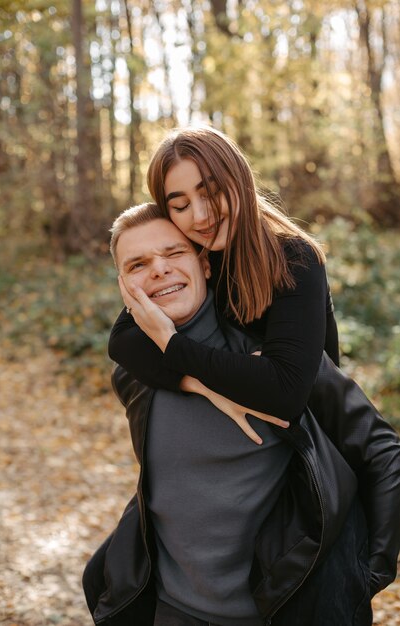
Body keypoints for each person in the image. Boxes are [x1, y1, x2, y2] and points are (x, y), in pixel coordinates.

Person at [107, 126, 400, 599]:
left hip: (314, 445)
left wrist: (174, 346)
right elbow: (122, 340)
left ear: (238, 179)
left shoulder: (293, 257)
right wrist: (205, 386)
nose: (199, 215)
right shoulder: (197, 254)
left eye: (211, 192)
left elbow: (284, 391)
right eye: (179, 204)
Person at [83, 203, 379, 626]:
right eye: (139, 264)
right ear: (124, 285)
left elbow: (378, 452)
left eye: (174, 254)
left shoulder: (276, 372)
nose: (159, 270)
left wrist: (370, 572)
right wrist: (197, 381)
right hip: (170, 611)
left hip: (276, 613)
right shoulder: (136, 379)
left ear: (205, 264)